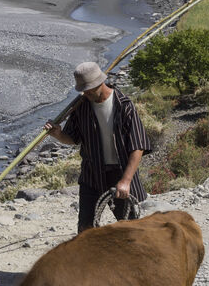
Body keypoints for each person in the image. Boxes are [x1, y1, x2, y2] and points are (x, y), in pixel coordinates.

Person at [43, 61, 151, 233]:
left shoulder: (124, 105)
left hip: (119, 173)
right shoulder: (80, 107)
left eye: (89, 89)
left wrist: (126, 181)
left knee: (130, 228)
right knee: (85, 230)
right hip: (91, 175)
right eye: (83, 90)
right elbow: (73, 138)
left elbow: (138, 146)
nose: (85, 93)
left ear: (100, 82)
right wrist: (58, 134)